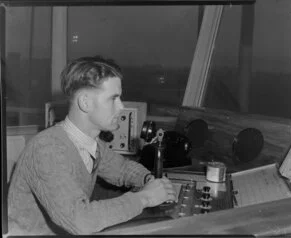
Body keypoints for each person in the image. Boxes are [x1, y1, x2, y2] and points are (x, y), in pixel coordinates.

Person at [7, 56, 176, 235]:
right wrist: (145, 197)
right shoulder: (46, 149)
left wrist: (149, 180)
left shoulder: (91, 143)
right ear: (85, 102)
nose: (121, 107)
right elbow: (80, 221)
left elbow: (123, 169)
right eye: (113, 99)